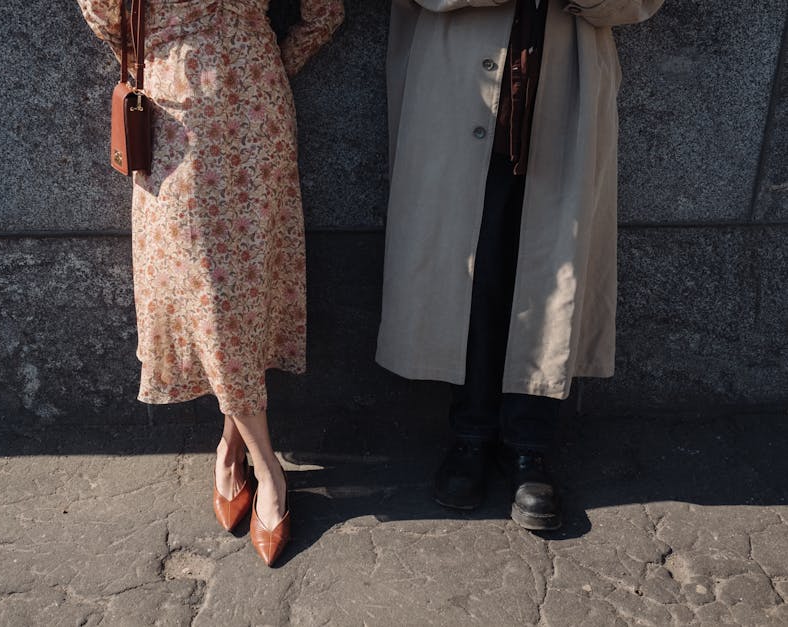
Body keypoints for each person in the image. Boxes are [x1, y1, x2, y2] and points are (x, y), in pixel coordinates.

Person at [77, 0, 344, 565]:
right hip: (209, 111)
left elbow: (103, 16)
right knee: (212, 293)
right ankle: (262, 464)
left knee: (243, 289)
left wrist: (176, 48)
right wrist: (255, 55)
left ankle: (238, 452)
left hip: (211, 103)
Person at [378, 0, 663, 530]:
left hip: (563, 87)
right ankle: (470, 433)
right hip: (459, 88)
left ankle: (529, 443)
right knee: (472, 266)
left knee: (550, 272)